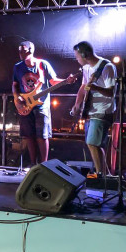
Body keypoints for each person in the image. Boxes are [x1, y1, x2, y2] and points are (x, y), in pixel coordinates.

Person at [12, 40, 76, 166]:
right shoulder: (17, 67)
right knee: (29, 136)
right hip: (25, 103)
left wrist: (66, 81)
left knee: (42, 135)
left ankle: (44, 165)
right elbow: (14, 84)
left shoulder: (42, 64)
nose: (20, 53)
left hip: (42, 105)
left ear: (31, 50)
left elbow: (53, 81)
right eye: (19, 51)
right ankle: (33, 165)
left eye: (23, 50)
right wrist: (16, 97)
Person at [71, 41, 117, 179]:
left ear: (84, 55)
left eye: (77, 56)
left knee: (92, 142)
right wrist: (77, 104)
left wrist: (95, 87)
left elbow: (111, 92)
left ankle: (100, 175)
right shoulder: (86, 68)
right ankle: (103, 175)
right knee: (96, 144)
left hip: (103, 111)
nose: (76, 59)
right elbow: (83, 87)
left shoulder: (107, 67)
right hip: (90, 111)